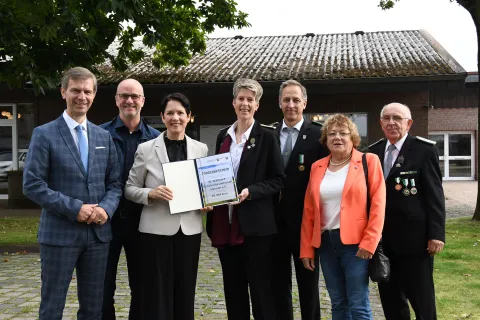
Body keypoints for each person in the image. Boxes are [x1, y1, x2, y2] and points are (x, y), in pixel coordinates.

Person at [23, 67, 122, 320]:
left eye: (87, 91)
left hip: (97, 236)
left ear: (94, 94)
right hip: (59, 234)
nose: (82, 96)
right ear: (63, 92)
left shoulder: (103, 136)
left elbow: (115, 183)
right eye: (75, 90)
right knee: (52, 307)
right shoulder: (44, 134)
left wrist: (105, 209)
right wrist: (75, 208)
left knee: (93, 308)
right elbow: (33, 184)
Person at [124, 92, 209, 320]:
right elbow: (130, 188)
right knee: (156, 292)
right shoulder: (146, 149)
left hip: (189, 230)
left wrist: (207, 202)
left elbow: (204, 188)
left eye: (180, 113)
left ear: (189, 116)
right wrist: (150, 193)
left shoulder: (201, 149)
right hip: (155, 232)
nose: (175, 118)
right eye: (170, 113)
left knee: (185, 290)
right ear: (162, 117)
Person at [206, 78, 284, 320]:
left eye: (250, 100)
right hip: (225, 224)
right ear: (233, 102)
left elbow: (278, 180)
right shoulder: (222, 136)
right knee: (233, 289)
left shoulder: (268, 136)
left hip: (256, 228)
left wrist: (251, 191)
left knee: (261, 290)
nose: (245, 104)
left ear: (257, 105)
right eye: (241, 98)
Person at [300, 114, 385, 320]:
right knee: (338, 302)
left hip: (356, 245)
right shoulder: (317, 166)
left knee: (358, 303)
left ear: (353, 138)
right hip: (327, 244)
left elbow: (378, 204)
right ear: (325, 140)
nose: (337, 137)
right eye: (332, 134)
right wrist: (306, 249)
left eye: (343, 133)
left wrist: (370, 242)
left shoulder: (369, 161)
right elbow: (309, 210)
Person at [368, 102, 445, 320]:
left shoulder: (424, 150)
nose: (391, 122)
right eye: (387, 118)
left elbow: (435, 196)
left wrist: (436, 234)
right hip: (383, 243)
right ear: (381, 123)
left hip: (415, 242)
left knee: (422, 301)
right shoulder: (372, 152)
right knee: (391, 301)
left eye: (397, 118)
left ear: (409, 123)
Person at [100, 79, 160, 319]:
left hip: (143, 222)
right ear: (116, 100)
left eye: (135, 96)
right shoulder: (99, 134)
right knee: (103, 285)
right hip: (106, 221)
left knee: (143, 286)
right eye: (124, 96)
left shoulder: (157, 139)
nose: (129, 100)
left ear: (143, 101)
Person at [272, 79, 329, 320]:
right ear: (279, 103)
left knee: (308, 285)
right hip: (273, 223)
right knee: (278, 284)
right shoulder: (268, 133)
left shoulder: (318, 135)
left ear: (305, 103)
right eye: (286, 99)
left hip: (305, 224)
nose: (291, 104)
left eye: (296, 100)